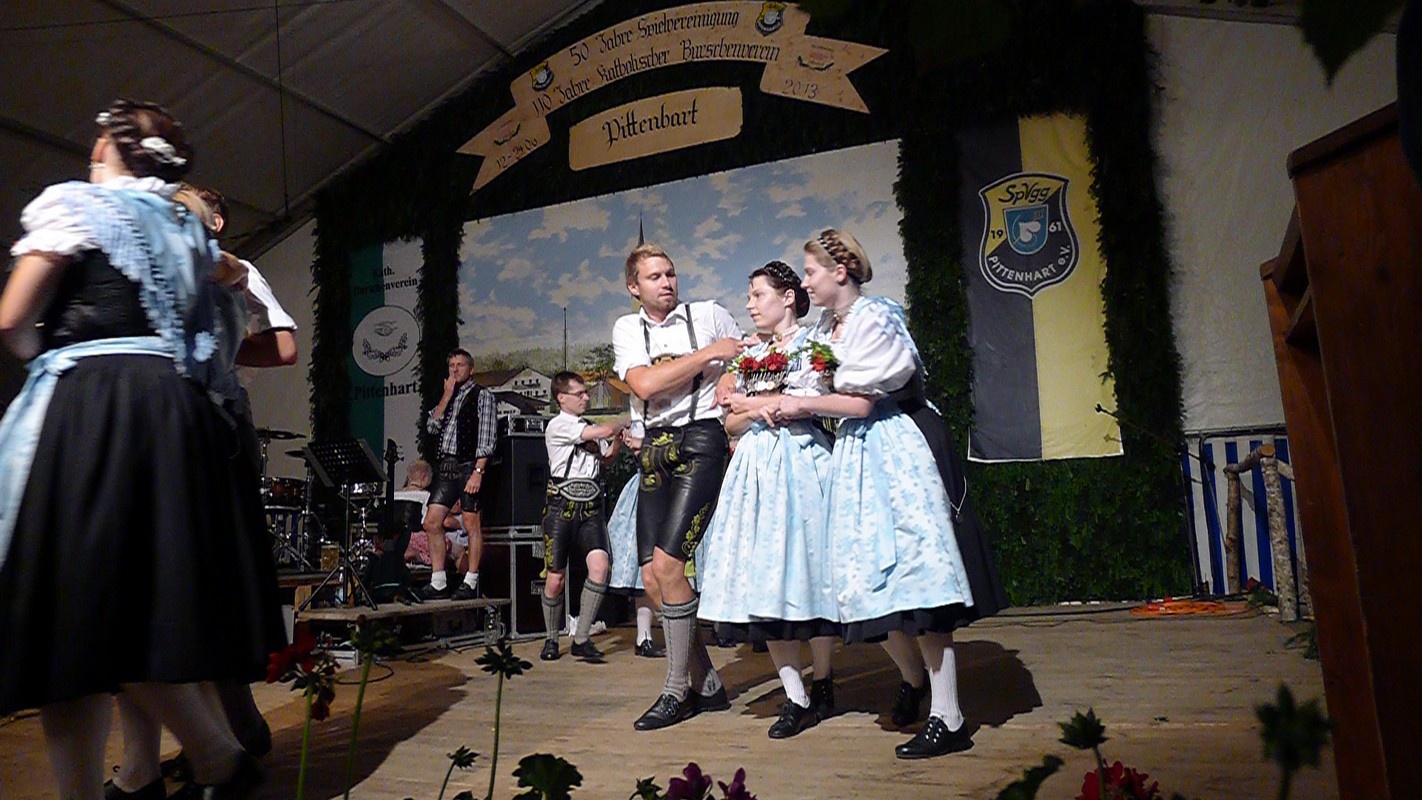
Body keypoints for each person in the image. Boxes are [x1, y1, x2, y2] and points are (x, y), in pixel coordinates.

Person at [0, 99, 282, 800]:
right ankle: (192, 759)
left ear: (109, 148)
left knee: (76, 604)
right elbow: (233, 284)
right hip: (176, 409)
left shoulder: (75, 206)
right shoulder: (185, 226)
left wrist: (43, 353)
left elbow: (11, 319)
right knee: (125, 602)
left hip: (98, 403)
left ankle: (206, 755)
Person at [771, 228, 1003, 759]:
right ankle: (918, 685)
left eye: (811, 271)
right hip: (861, 452)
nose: (805, 281)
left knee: (919, 578)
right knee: (874, 581)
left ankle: (949, 715)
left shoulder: (876, 317)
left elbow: (859, 402)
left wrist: (800, 404)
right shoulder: (828, 326)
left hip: (901, 447)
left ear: (840, 271)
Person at [699, 261, 839, 739]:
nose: (750, 304)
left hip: (802, 462)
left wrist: (754, 404)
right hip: (757, 469)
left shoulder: (812, 345)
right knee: (764, 577)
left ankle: (824, 679)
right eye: (749, 296)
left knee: (811, 571)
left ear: (788, 297)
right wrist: (758, 408)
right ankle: (796, 695)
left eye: (758, 295)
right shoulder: (752, 355)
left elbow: (802, 402)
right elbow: (731, 422)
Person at [612, 243, 746, 730]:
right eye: (655, 276)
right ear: (634, 287)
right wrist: (708, 356)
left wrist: (729, 378)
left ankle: (676, 690)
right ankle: (707, 682)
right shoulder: (628, 328)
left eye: (670, 273)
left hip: (702, 440)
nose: (667, 282)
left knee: (670, 566)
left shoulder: (708, 314)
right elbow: (644, 385)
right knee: (652, 576)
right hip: (655, 447)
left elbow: (743, 356)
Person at [537, 372, 627, 661]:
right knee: (555, 579)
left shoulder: (587, 426)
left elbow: (606, 460)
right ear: (562, 398)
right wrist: (627, 419)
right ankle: (551, 638)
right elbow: (602, 431)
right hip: (560, 509)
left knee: (600, 567)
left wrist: (618, 443)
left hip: (590, 509)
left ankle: (582, 638)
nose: (586, 397)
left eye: (586, 393)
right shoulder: (558, 425)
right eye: (580, 394)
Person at [418, 348, 496, 600]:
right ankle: (438, 581)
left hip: (468, 465)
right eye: (451, 365)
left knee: (471, 523)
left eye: (460, 365)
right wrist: (446, 394)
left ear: (471, 369)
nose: (455, 369)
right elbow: (432, 426)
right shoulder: (449, 396)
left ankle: (471, 580)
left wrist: (478, 471)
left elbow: (487, 437)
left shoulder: (482, 395)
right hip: (447, 466)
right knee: (431, 522)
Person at [605, 424, 664, 658]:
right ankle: (644, 636)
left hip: (673, 489)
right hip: (648, 490)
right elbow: (641, 452)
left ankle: (681, 634)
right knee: (644, 570)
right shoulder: (642, 419)